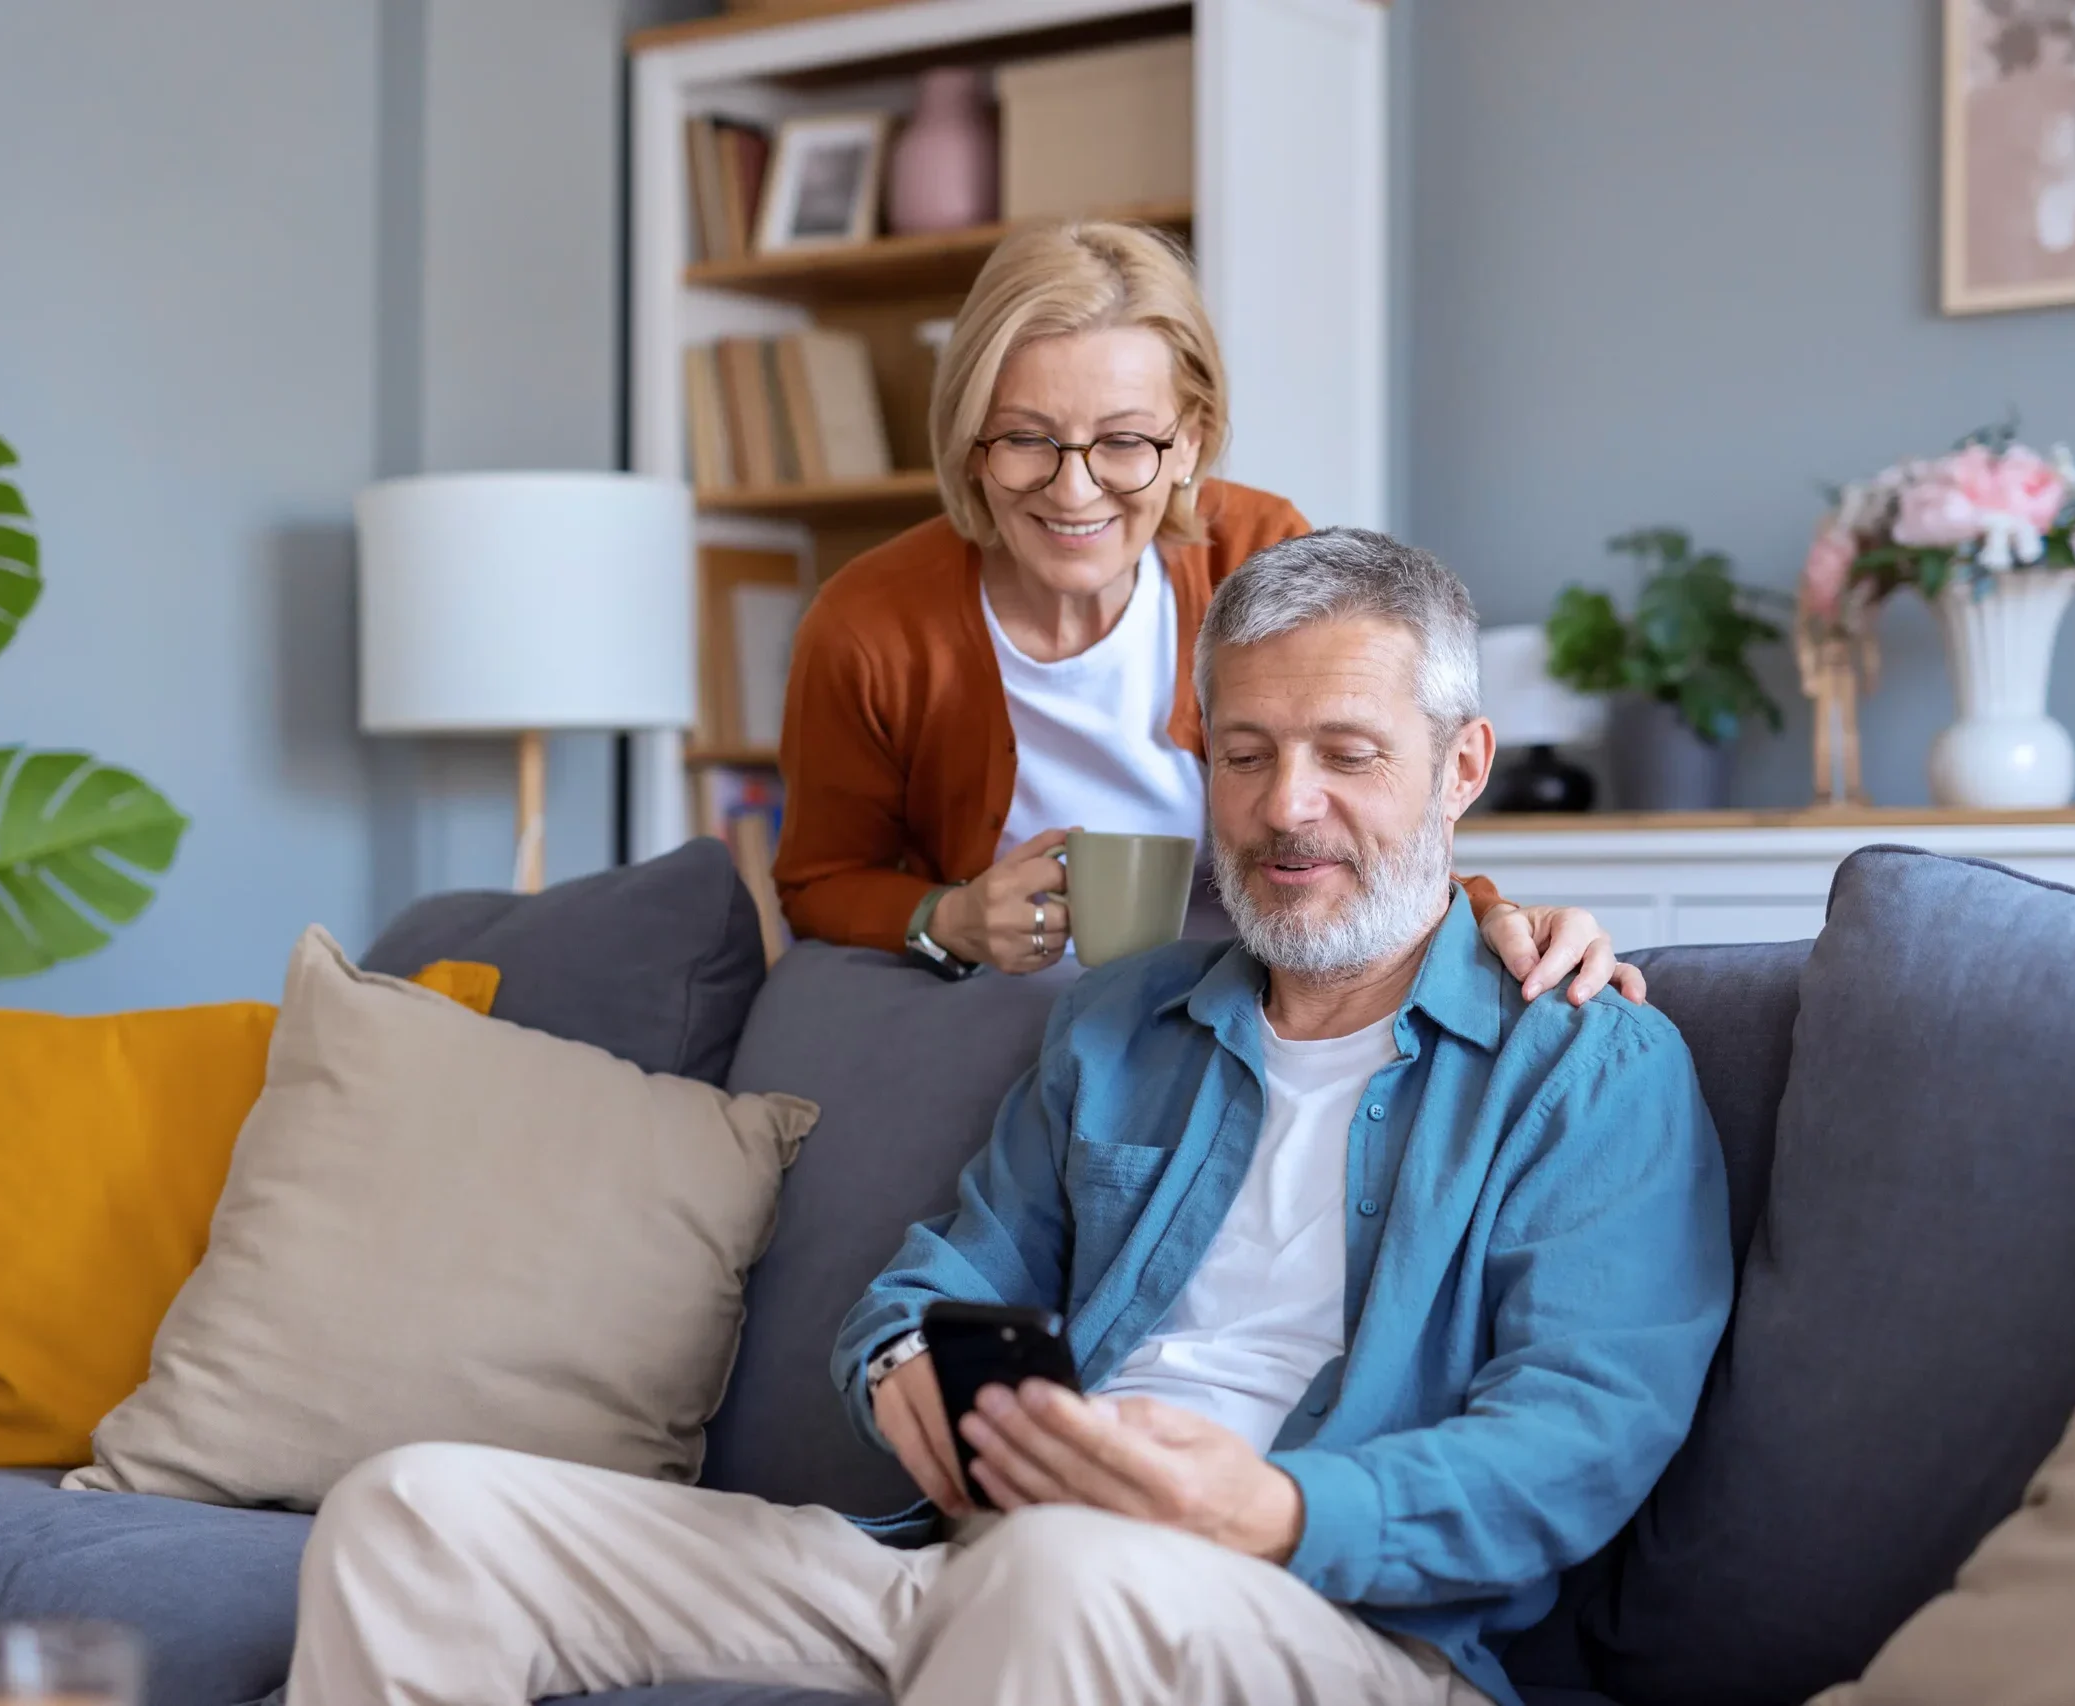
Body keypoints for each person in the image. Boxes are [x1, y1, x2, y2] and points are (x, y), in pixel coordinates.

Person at [287, 528, 1733, 1706]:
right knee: (414, 1516)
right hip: (977, 1563)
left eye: (1348, 754)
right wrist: (903, 1364)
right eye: (1244, 753)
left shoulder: (1583, 1064)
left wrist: (1277, 1506)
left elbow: (1582, 1434)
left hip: (1333, 1623)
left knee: (1061, 1575)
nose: (1288, 807)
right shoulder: (1123, 1024)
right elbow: (938, 1278)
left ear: (1461, 766)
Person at [773, 220, 1642, 1004]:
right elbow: (818, 881)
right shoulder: (869, 623)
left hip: (1241, 1011)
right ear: (970, 444)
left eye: (1124, 441)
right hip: (1011, 1020)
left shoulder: (1256, 551)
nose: (1073, 491)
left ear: (1189, 440)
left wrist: (1493, 914)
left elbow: (1375, 795)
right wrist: (950, 916)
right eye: (1026, 439)